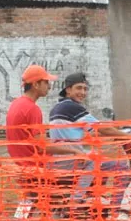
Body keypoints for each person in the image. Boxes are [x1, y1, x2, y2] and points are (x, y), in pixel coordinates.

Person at [6, 65, 85, 213]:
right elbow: (42, 145)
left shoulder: (16, 104)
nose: (49, 86)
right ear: (36, 84)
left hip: (20, 164)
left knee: (31, 200)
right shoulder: (32, 109)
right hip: (35, 167)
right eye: (46, 82)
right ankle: (74, 212)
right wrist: (73, 150)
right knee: (83, 172)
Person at [47, 72, 131, 206]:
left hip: (60, 160)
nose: (82, 92)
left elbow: (93, 131)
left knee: (99, 160)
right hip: (71, 161)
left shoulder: (57, 107)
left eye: (85, 89)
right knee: (121, 167)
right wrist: (129, 136)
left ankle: (92, 200)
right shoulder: (72, 107)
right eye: (79, 88)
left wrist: (113, 135)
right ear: (68, 90)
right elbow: (102, 128)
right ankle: (115, 209)